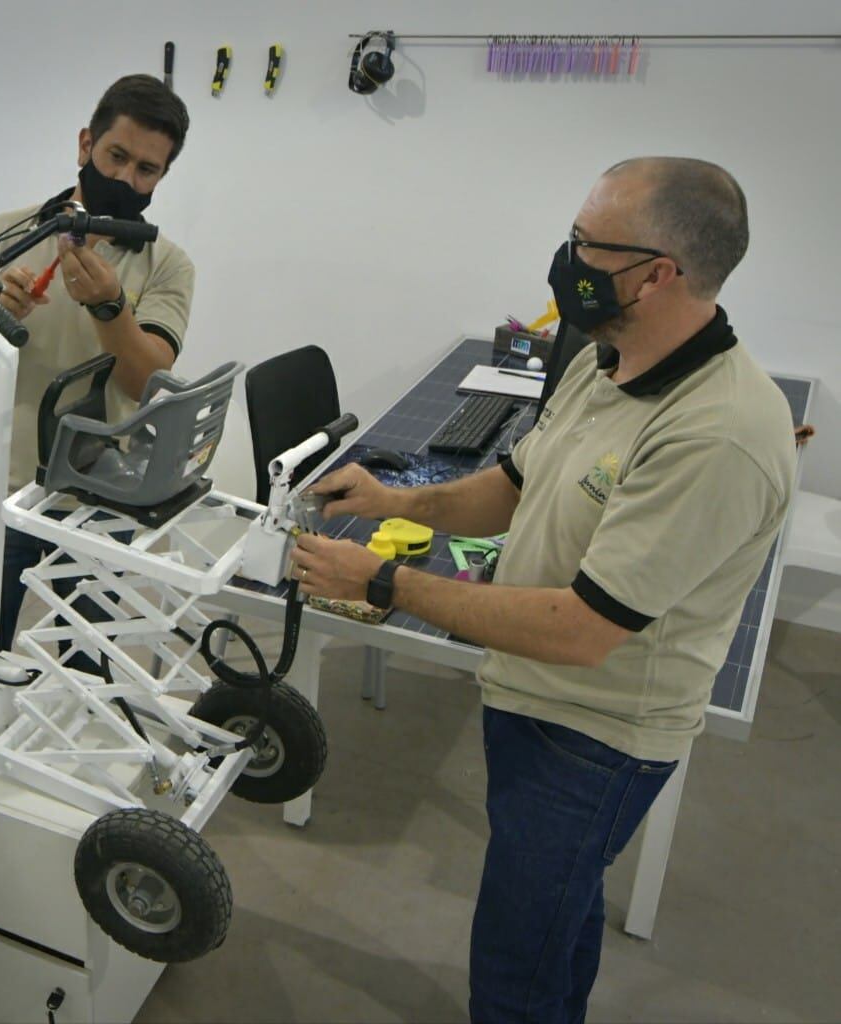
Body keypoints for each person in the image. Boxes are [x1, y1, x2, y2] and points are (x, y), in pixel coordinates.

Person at [293, 157, 797, 1023]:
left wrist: (383, 579)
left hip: (596, 733)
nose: (566, 261)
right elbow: (515, 484)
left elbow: (584, 629)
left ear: (659, 273)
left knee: (515, 960)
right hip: (532, 694)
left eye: (586, 243)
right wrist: (393, 500)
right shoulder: (606, 363)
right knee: (559, 911)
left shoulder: (716, 434)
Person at [0, 74, 195, 690]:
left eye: (147, 170)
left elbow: (146, 377)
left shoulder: (167, 264)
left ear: (161, 178)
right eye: (116, 157)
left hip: (102, 498)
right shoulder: (9, 230)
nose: (127, 180)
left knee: (84, 673)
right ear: (85, 145)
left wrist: (110, 307)